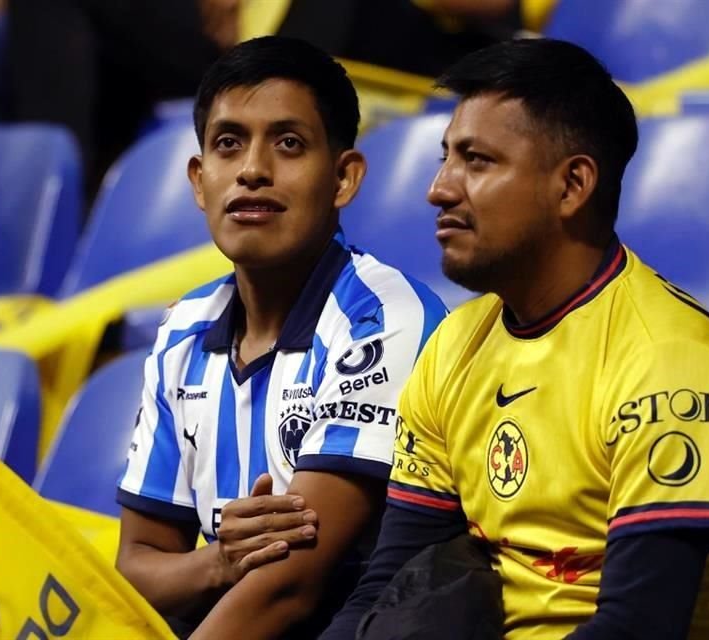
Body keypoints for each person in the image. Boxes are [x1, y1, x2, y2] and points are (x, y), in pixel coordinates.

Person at [323, 38, 709, 639]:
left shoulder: (668, 363)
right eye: (444, 158)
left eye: (477, 161)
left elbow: (640, 628)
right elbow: (392, 583)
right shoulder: (455, 346)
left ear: (572, 186)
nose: (440, 189)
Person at [114, 36, 447, 639]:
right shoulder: (182, 331)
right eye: (227, 144)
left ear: (344, 178)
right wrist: (219, 561)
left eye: (289, 143)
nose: (252, 170)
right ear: (198, 180)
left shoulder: (384, 318)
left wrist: (203, 571)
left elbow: (290, 587)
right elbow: (136, 567)